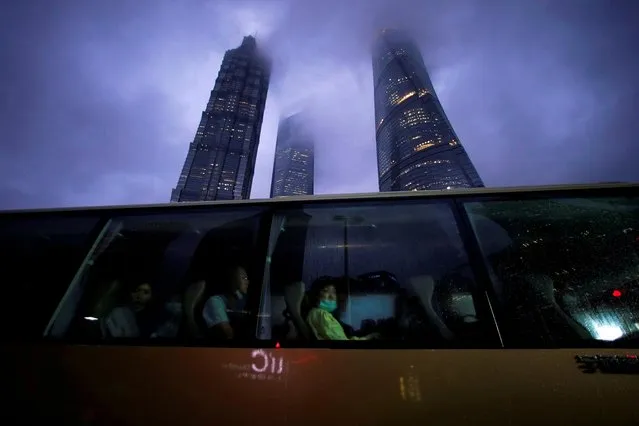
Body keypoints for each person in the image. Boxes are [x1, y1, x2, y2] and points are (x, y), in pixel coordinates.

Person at [306, 277, 380, 341]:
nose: (332, 296)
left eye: (334, 292)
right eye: (325, 291)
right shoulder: (321, 314)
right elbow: (342, 343)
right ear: (316, 295)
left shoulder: (320, 314)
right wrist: (368, 338)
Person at [202, 265, 251, 339]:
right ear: (232, 279)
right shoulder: (215, 302)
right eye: (243, 278)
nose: (247, 281)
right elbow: (227, 333)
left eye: (247, 278)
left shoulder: (240, 298)